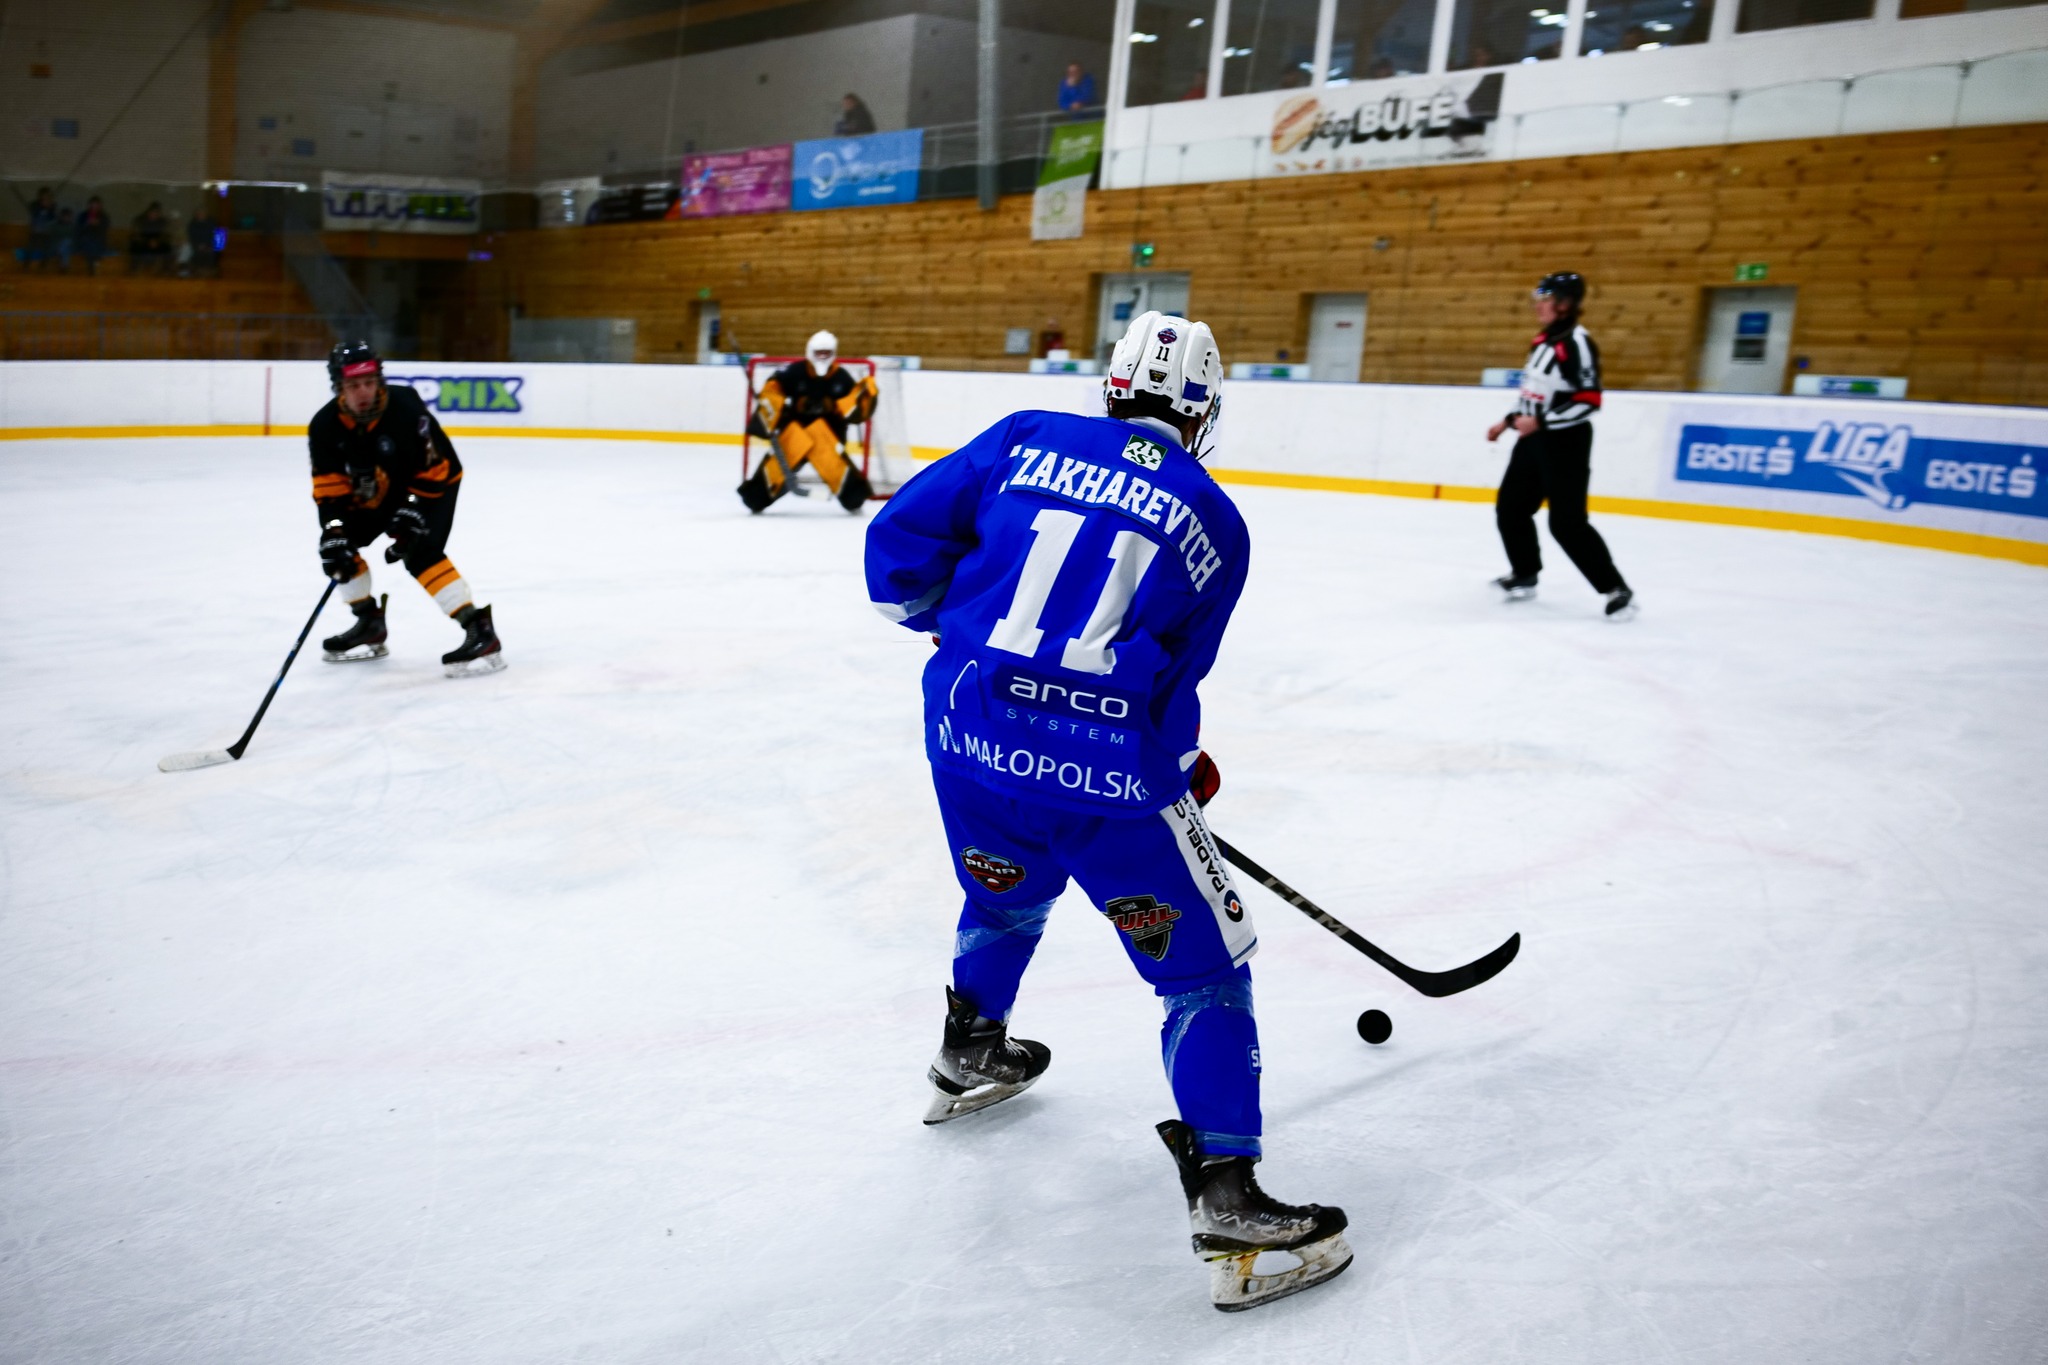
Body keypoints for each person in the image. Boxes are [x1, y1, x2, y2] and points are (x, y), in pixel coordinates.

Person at [863, 311, 1352, 1313]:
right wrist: (1175, 770)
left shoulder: (1023, 437)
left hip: (968, 740)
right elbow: (1174, 685)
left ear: (1113, 386)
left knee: (1003, 891)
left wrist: (956, 638)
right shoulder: (1214, 518)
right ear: (1202, 412)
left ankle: (969, 1047)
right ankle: (1228, 1196)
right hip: (1104, 781)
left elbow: (896, 546)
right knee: (1203, 968)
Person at [308, 340, 506, 675]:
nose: (363, 392)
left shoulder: (405, 407)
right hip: (380, 485)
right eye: (353, 386)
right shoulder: (324, 425)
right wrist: (335, 529)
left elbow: (435, 466)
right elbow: (330, 489)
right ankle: (369, 623)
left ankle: (479, 629)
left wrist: (412, 509)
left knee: (419, 551)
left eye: (369, 382)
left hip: (434, 482)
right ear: (339, 387)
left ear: (379, 380)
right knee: (337, 550)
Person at [1486, 272, 1634, 617]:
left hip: (1565, 443)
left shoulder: (1577, 343)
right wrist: (1507, 422)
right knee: (1511, 508)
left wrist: (1541, 422)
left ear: (1565, 304)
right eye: (1538, 299)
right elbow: (1535, 394)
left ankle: (1615, 588)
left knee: (1566, 523)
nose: (1538, 306)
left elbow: (1589, 401)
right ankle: (1524, 574)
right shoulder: (1543, 341)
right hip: (1532, 441)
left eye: (1546, 299)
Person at [738, 330, 878, 513]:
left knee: (853, 498)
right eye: (819, 352)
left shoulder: (842, 377)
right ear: (810, 351)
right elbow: (774, 388)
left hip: (828, 437)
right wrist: (774, 406)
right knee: (756, 497)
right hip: (796, 433)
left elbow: (852, 408)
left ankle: (854, 496)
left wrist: (835, 406)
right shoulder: (795, 371)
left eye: (826, 353)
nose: (822, 357)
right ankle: (756, 496)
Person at [128, 202, 173, 274]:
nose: (153, 214)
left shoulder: (163, 222)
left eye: (156, 213)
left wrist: (157, 241)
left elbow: (166, 235)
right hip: (143, 243)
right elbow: (135, 234)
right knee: (134, 246)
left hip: (158, 244)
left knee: (167, 248)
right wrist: (147, 241)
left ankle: (165, 271)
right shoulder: (140, 221)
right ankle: (134, 269)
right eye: (152, 212)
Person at [23, 188, 58, 271]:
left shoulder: (52, 205)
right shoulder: (34, 204)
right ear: (40, 196)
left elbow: (52, 217)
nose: (46, 197)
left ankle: (44, 264)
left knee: (47, 247)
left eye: (47, 195)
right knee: (30, 247)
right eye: (44, 195)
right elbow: (34, 213)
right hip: (35, 231)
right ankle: (26, 264)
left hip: (46, 232)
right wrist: (42, 207)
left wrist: (49, 208)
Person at [75, 197, 110, 275]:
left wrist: (97, 224)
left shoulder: (104, 216)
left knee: (95, 244)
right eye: (93, 205)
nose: (94, 207)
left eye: (97, 205)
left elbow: (105, 228)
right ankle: (93, 265)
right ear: (89, 205)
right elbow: (78, 229)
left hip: (99, 240)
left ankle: (94, 264)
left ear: (100, 206)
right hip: (86, 240)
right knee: (89, 243)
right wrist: (87, 224)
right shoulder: (83, 216)